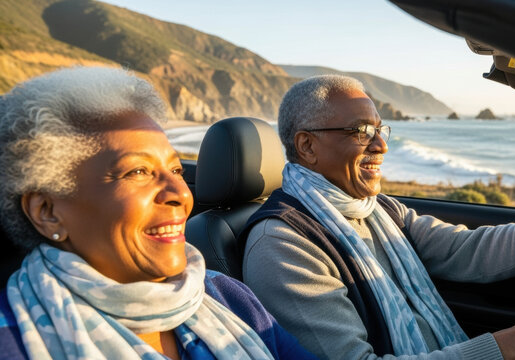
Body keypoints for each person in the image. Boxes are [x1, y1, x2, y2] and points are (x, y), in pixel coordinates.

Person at [241, 75, 515, 360]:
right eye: (359, 132)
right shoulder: (282, 245)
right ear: (308, 146)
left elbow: (468, 250)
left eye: (379, 130)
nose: (380, 147)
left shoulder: (380, 210)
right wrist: (508, 345)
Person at [0, 66, 316, 360]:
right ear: (47, 212)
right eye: (138, 171)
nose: (181, 194)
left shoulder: (227, 295)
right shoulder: (11, 341)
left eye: (176, 169)